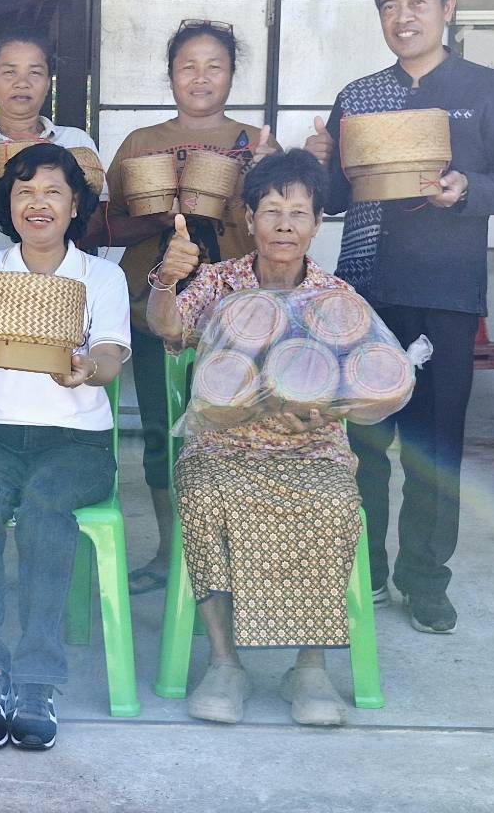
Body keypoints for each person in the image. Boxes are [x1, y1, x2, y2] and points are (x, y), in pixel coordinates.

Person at [304, 0, 494, 633]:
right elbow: (340, 201)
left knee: (436, 446)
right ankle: (369, 573)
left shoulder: (488, 90)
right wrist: (322, 167)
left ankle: (427, 578)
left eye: (416, 2)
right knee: (365, 441)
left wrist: (468, 189)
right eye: (388, 5)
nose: (402, 18)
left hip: (445, 293)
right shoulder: (359, 94)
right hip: (366, 292)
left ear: (448, 7)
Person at [147, 149, 365, 727]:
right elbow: (168, 327)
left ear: (318, 222)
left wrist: (321, 410)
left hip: (311, 447)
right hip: (222, 446)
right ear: (249, 218)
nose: (285, 224)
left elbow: (358, 383)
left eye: (299, 212)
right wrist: (168, 279)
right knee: (199, 493)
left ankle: (310, 668)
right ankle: (225, 663)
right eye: (272, 210)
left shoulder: (336, 296)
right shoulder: (219, 282)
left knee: (336, 502)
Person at [0, 144, 129, 750]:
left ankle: (38, 678)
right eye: (23, 191)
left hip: (77, 444)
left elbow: (113, 357)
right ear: (6, 205)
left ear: (75, 206)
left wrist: (86, 370)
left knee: (46, 507)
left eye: (53, 192)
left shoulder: (101, 275)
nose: (37, 203)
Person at [81, 20, 279, 595]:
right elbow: (99, 227)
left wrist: (260, 174)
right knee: (163, 433)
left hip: (238, 315)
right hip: (151, 307)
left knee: (235, 434)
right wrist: (171, 214)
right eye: (188, 65)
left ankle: (231, 562)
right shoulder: (142, 142)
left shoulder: (255, 143)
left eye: (213, 65)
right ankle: (172, 555)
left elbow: (283, 224)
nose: (200, 76)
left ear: (232, 75)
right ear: (170, 76)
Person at [0, 32, 100, 269]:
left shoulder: (75, 141)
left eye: (34, 72)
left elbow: (96, 228)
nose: (22, 82)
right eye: (9, 72)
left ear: (48, 83)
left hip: (60, 284)